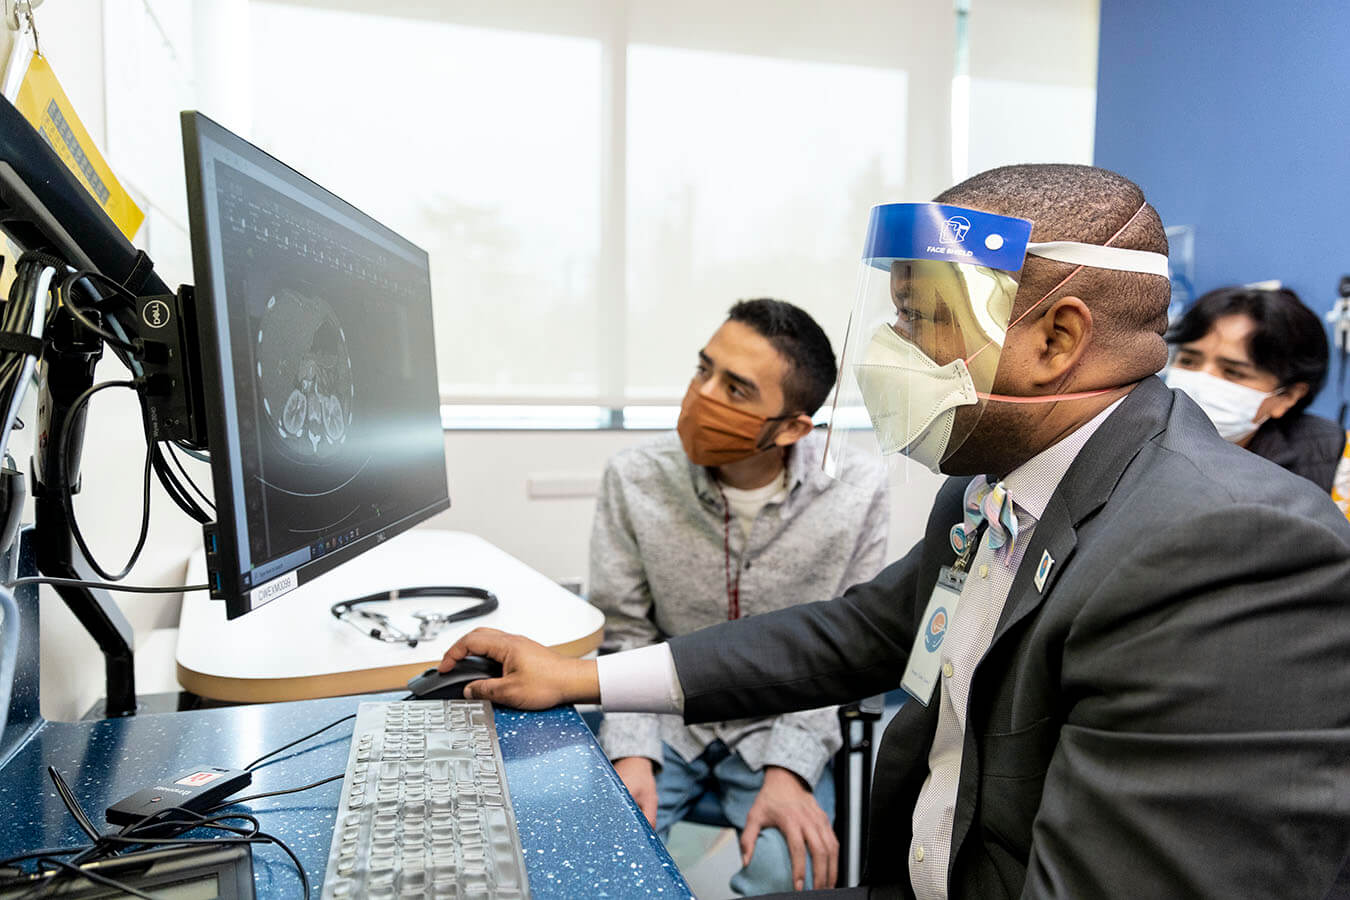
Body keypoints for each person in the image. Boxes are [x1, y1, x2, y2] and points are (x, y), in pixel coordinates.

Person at [438, 164, 1350, 899]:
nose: (893, 352)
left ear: (1057, 339)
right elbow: (863, 633)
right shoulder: (991, 492)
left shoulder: (1227, 548)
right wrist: (584, 677)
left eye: (922, 321)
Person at [591, 298, 889, 895]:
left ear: (793, 427)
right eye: (704, 371)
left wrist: (790, 770)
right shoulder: (634, 477)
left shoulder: (856, 492)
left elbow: (846, 652)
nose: (703, 397)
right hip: (664, 715)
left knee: (790, 873)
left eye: (736, 390)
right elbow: (626, 634)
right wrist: (630, 751)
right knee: (600, 858)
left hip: (780, 724)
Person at [1163, 284, 1346, 489]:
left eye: (1233, 372)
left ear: (1288, 396)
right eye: (1188, 361)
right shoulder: (1134, 436)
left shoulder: (1336, 458)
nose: (1200, 381)